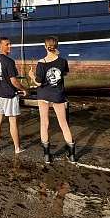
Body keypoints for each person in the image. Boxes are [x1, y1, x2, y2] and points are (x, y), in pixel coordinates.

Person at [28, 36, 76, 164]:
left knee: (44, 123)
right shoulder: (62, 61)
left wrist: (31, 75)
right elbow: (64, 74)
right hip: (58, 95)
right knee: (64, 124)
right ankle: (71, 155)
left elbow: (38, 83)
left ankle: (47, 156)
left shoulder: (41, 63)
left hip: (43, 95)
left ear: (45, 46)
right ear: (57, 46)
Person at [0, 37, 29, 154]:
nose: (10, 46)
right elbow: (14, 81)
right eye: (7, 44)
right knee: (13, 122)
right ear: (0, 46)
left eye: (10, 44)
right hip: (9, 95)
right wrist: (24, 89)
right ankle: (17, 148)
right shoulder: (9, 61)